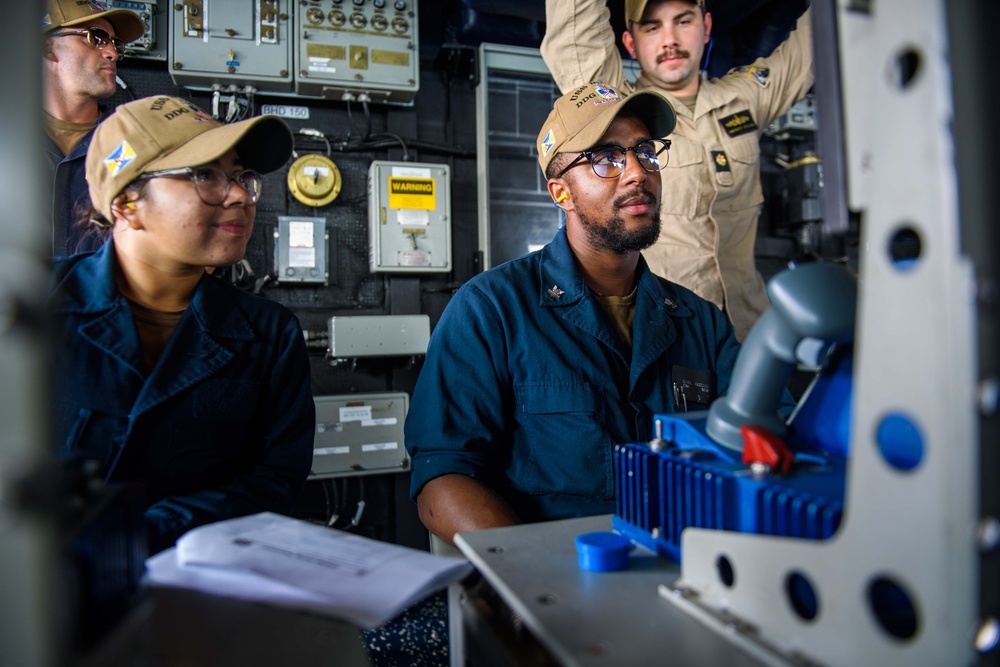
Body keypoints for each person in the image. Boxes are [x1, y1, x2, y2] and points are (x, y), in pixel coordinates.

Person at [405, 82, 744, 546]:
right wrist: (539, 580)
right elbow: (441, 480)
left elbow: (766, 444)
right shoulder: (492, 310)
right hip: (555, 584)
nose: (636, 173)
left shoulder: (701, 322)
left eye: (645, 151)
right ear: (561, 192)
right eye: (606, 157)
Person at [48, 95, 314, 554]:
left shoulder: (270, 335)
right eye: (205, 175)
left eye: (240, 178)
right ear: (127, 202)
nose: (237, 196)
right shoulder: (34, 305)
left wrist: (137, 537)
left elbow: (273, 480)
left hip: (195, 595)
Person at [541, 0, 813, 341]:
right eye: (652, 27)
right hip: (667, 332)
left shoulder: (743, 99)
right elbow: (575, 36)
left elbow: (819, 42)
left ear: (707, 26)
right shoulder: (618, 114)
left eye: (683, 21)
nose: (669, 39)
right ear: (630, 42)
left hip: (749, 330)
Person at [43, 0, 145, 256]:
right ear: (47, 48)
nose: (113, 53)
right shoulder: (9, 139)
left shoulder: (137, 144)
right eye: (95, 38)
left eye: (114, 43)